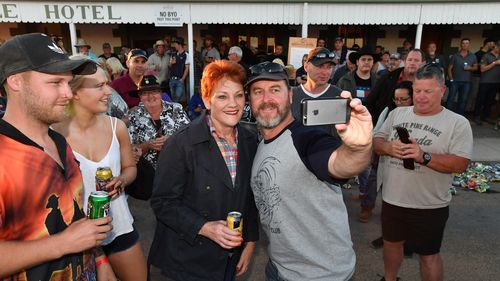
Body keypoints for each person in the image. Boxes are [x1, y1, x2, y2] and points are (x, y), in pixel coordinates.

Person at [0, 33, 113, 280]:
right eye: (55, 83)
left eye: (68, 82)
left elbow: (76, 218)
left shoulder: (60, 143)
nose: (68, 93)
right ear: (16, 81)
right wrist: (63, 244)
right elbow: (69, 238)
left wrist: (100, 260)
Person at [246, 61, 372, 280]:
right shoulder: (261, 145)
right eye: (258, 92)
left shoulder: (306, 138)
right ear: (250, 100)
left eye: (275, 90)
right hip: (278, 268)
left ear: (291, 96)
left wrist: (358, 148)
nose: (266, 99)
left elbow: (339, 164)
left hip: (321, 275)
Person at [149, 60, 259, 281]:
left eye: (239, 95)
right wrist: (204, 227)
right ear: (207, 100)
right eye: (222, 96)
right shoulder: (181, 143)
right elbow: (163, 202)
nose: (233, 104)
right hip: (187, 261)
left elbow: (249, 199)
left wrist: (249, 243)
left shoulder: (249, 140)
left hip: (230, 257)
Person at [374, 63, 473, 281]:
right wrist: (388, 147)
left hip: (430, 204)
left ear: (442, 91)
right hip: (393, 198)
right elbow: (376, 142)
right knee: (391, 244)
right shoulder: (397, 114)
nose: (420, 96)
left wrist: (423, 156)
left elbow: (460, 164)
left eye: (428, 91)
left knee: (429, 255)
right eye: (417, 90)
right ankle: (389, 279)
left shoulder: (458, 123)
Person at [52, 63, 147, 281]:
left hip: (119, 227)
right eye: (99, 86)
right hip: (77, 235)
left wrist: (122, 180)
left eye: (107, 84)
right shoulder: (53, 135)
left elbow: (130, 168)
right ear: (74, 92)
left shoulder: (117, 127)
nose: (108, 92)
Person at [127, 75, 190, 169]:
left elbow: (190, 135)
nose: (150, 96)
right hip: (147, 171)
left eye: (154, 92)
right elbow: (131, 148)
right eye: (145, 93)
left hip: (177, 167)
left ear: (161, 94)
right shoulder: (133, 115)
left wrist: (171, 140)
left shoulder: (176, 109)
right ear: (140, 97)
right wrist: (147, 145)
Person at [291, 47, 343, 135]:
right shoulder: (291, 95)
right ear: (306, 66)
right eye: (320, 66)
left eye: (329, 67)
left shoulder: (339, 96)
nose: (325, 72)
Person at [366, 49, 426, 125]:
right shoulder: (387, 78)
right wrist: (375, 123)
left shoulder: (426, 83)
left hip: (413, 127)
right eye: (410, 60)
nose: (412, 63)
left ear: (423, 63)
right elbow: (370, 101)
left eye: (416, 60)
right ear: (404, 61)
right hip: (384, 125)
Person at [447, 38, 478, 115]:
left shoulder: (473, 56)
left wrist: (469, 68)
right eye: (463, 43)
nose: (465, 45)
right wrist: (451, 79)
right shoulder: (455, 56)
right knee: (451, 99)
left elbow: (476, 67)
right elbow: (449, 68)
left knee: (463, 100)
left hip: (467, 82)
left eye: (467, 43)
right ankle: (447, 116)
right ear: (461, 44)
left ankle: (460, 117)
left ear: (469, 45)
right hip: (455, 81)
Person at [474, 40, 500, 125]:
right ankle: (476, 116)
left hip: (496, 82)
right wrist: (495, 63)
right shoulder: (486, 56)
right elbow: (482, 69)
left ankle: (486, 116)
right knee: (480, 99)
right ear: (495, 46)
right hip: (485, 81)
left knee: (490, 100)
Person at [168, 37, 190, 102]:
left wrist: (182, 79)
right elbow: (169, 67)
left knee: (177, 98)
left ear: (179, 44)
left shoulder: (186, 55)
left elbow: (187, 68)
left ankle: (176, 111)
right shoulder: (173, 54)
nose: (174, 46)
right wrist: (171, 63)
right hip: (172, 79)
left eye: (175, 44)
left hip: (179, 79)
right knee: (172, 98)